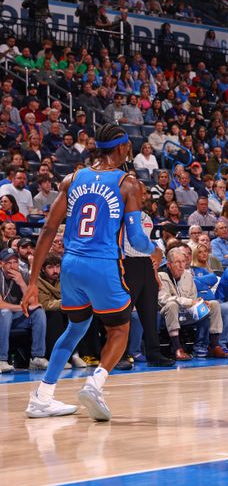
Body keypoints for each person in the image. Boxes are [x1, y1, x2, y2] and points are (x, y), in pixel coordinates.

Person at [22, 123, 161, 420]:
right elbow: (136, 240)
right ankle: (94, 384)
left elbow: (47, 229)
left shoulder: (72, 179)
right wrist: (155, 249)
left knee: (76, 327)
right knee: (120, 329)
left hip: (70, 265)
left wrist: (33, 281)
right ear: (123, 148)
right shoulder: (128, 183)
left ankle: (42, 397)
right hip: (102, 264)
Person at [122, 181, 175, 368]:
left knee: (150, 313)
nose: (145, 196)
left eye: (146, 193)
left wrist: (154, 273)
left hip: (145, 264)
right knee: (124, 314)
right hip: (126, 263)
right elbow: (132, 243)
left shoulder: (146, 217)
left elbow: (147, 248)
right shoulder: (121, 215)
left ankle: (154, 354)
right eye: (142, 193)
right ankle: (119, 356)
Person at [0, 248, 48, 373]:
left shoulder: (24, 275)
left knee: (39, 312)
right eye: (8, 263)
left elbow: (33, 303)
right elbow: (0, 305)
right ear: (1, 263)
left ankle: (37, 357)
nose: (13, 266)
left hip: (16, 317)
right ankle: (2, 360)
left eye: (15, 262)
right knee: (5, 313)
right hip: (3, 316)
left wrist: (21, 283)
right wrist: (22, 307)